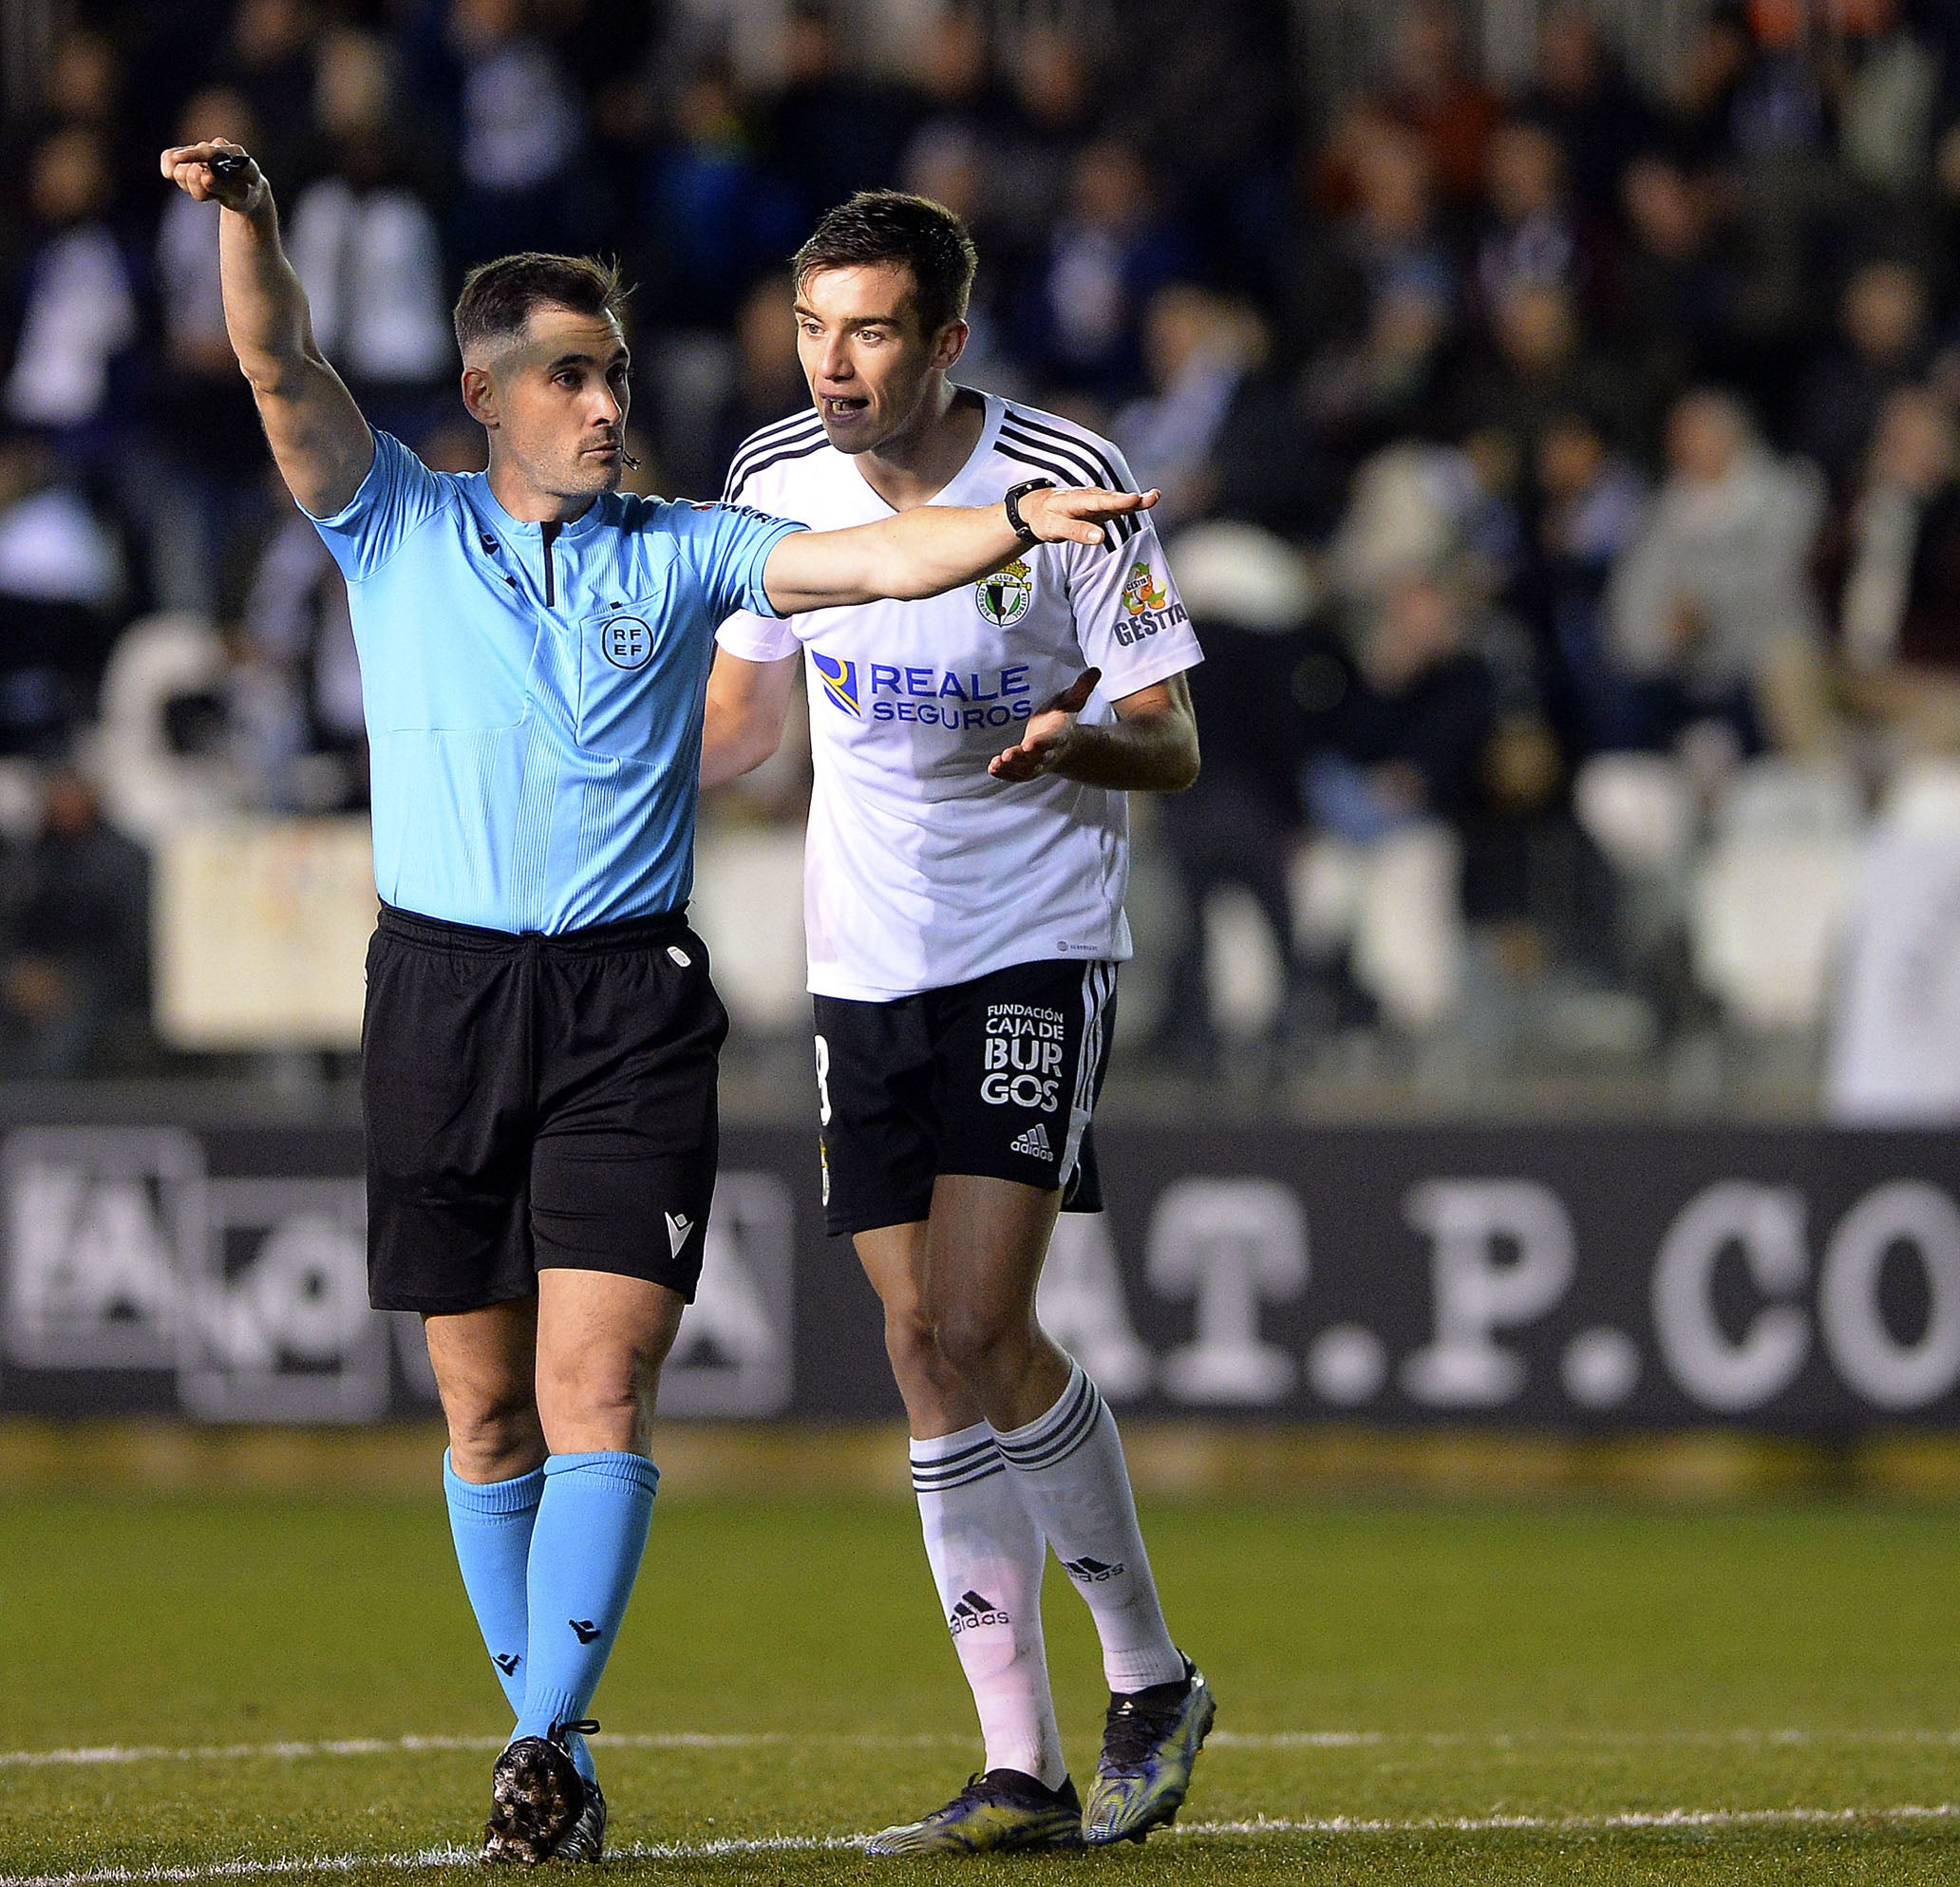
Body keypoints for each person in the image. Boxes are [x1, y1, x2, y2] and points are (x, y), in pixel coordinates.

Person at [159, 139, 1151, 1866]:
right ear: (483, 395)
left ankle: (544, 1745)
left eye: (615, 369)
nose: (608, 401)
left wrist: (1011, 524)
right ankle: (544, 1745)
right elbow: (276, 366)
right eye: (568, 374)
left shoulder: (681, 549)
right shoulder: (394, 519)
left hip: (628, 1006)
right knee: (479, 1408)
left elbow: (875, 562)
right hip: (440, 998)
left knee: (596, 1388)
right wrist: (251, 224)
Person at [699, 191, 1211, 1856]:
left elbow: (1171, 741)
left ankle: (1149, 1679)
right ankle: (1020, 1767)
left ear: (945, 341)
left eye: (869, 332)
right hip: (863, 958)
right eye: (813, 329)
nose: (835, 366)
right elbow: (747, 713)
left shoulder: (1065, 479)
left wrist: (1080, 749)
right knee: (919, 1349)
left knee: (987, 1324)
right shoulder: (771, 479)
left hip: (1033, 942)